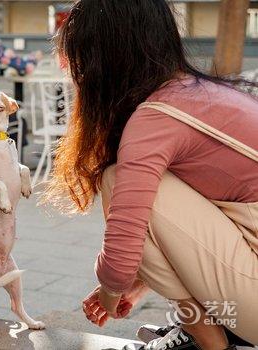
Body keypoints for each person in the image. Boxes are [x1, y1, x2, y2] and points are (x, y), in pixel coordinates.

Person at [43, 1, 258, 349]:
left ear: (103, 60)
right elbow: (200, 227)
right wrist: (141, 281)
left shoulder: (156, 118)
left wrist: (111, 287)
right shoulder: (202, 96)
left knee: (116, 179)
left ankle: (210, 342)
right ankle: (206, 331)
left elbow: (126, 237)